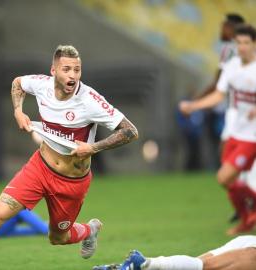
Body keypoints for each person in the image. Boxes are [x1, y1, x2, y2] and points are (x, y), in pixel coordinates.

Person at [0, 45, 139, 269]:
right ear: (54, 71)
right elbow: (18, 83)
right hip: (39, 168)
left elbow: (130, 131)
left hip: (71, 182)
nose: (72, 75)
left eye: (77, 70)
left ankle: (90, 230)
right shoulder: (42, 85)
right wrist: (18, 111)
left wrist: (93, 148)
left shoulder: (89, 99)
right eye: (67, 69)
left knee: (57, 238)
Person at [179, 24, 256, 235]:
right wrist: (194, 105)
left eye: (246, 43)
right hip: (235, 133)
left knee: (224, 177)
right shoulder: (231, 66)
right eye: (238, 43)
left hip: (252, 137)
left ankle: (250, 214)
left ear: (254, 44)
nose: (241, 47)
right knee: (229, 183)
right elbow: (218, 95)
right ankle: (247, 219)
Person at [93, 235, 256, 270]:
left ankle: (131, 267)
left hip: (248, 242)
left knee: (199, 266)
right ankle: (145, 264)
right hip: (251, 250)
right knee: (203, 266)